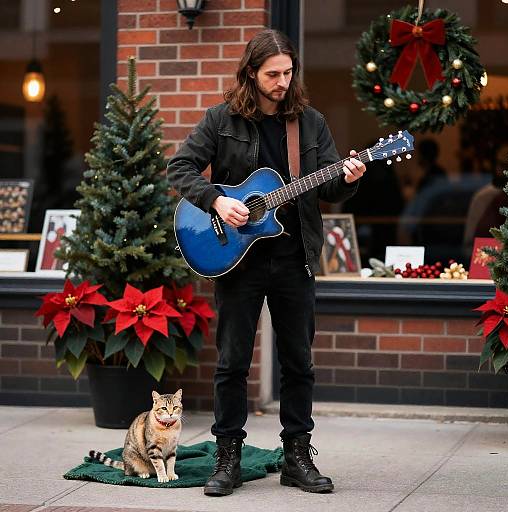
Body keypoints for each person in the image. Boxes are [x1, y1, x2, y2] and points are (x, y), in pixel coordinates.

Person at [167, 29, 365, 496]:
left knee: (299, 362)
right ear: (251, 73)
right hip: (238, 260)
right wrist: (217, 201)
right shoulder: (221, 120)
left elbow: (331, 189)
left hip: (295, 258)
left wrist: (351, 176)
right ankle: (228, 458)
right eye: (273, 74)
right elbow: (180, 168)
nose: (282, 81)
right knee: (233, 362)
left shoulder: (310, 124)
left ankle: (297, 456)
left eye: (288, 72)